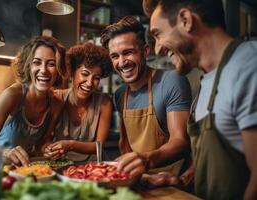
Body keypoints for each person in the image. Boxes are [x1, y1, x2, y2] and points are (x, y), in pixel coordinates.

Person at [144, 0, 257, 199]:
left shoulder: (249, 66)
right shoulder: (207, 80)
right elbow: (215, 160)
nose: (157, 49)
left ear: (186, 20)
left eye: (158, 34)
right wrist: (182, 180)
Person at [100, 16, 192, 178]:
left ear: (145, 51)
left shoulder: (171, 81)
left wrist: (146, 160)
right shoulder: (120, 94)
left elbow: (181, 141)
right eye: (115, 56)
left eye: (128, 53)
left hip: (171, 182)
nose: (122, 63)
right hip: (139, 180)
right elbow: (125, 143)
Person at [0, 36, 66, 166]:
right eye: (37, 62)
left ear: (58, 70)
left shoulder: (56, 103)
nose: (43, 70)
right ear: (28, 66)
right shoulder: (12, 95)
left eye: (51, 64)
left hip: (23, 170)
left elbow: (43, 141)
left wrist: (49, 149)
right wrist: (6, 152)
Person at [42, 42, 113, 162]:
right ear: (73, 73)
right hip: (62, 165)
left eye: (96, 78)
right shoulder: (57, 98)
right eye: (85, 74)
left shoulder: (104, 103)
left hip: (93, 167)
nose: (90, 83)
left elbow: (98, 146)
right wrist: (48, 150)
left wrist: (70, 145)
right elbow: (45, 139)